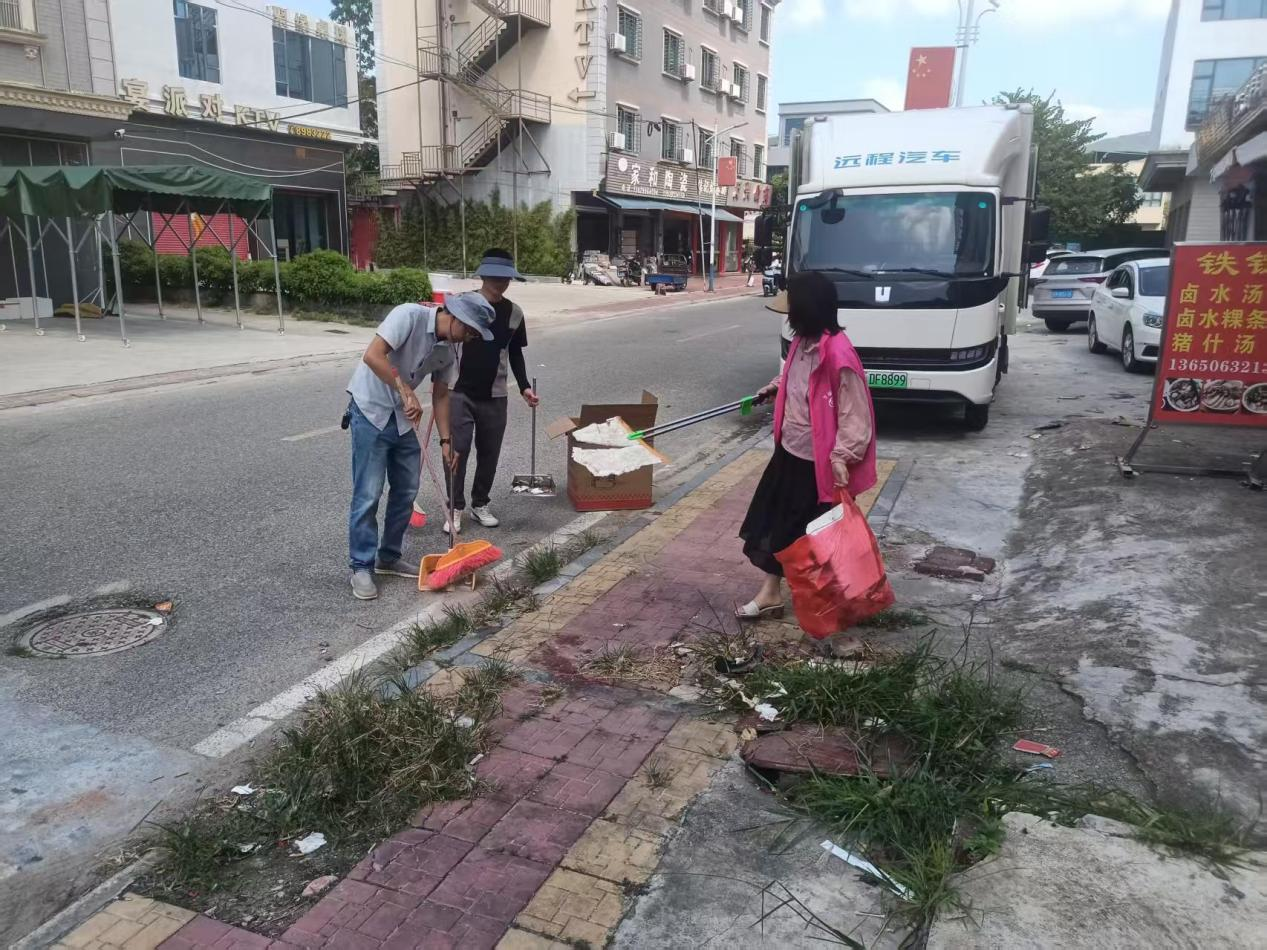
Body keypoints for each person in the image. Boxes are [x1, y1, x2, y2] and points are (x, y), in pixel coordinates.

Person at [737, 271, 877, 625]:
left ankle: (831, 611)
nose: (788, 316)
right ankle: (771, 594)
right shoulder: (802, 341)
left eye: (793, 308)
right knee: (775, 524)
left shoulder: (839, 354)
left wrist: (843, 456)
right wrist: (774, 388)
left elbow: (855, 414)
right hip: (790, 453)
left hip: (818, 466)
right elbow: (793, 377)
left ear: (808, 310)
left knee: (813, 538)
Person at [345, 292, 495, 601]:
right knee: (369, 493)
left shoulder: (450, 349)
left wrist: (446, 441)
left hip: (403, 419)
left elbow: (440, 394)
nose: (469, 339)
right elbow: (373, 355)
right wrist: (405, 390)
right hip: (371, 410)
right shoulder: (408, 315)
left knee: (407, 490)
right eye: (469, 331)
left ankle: (389, 556)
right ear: (455, 317)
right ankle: (361, 565)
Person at [441, 248, 539, 534]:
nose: (500, 282)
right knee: (457, 451)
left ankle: (479, 503)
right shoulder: (462, 305)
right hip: (459, 391)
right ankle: (455, 506)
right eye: (495, 277)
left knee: (489, 453)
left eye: (505, 278)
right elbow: (443, 338)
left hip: (495, 394)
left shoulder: (514, 313)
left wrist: (524, 387)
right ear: (483, 276)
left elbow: (515, 353)